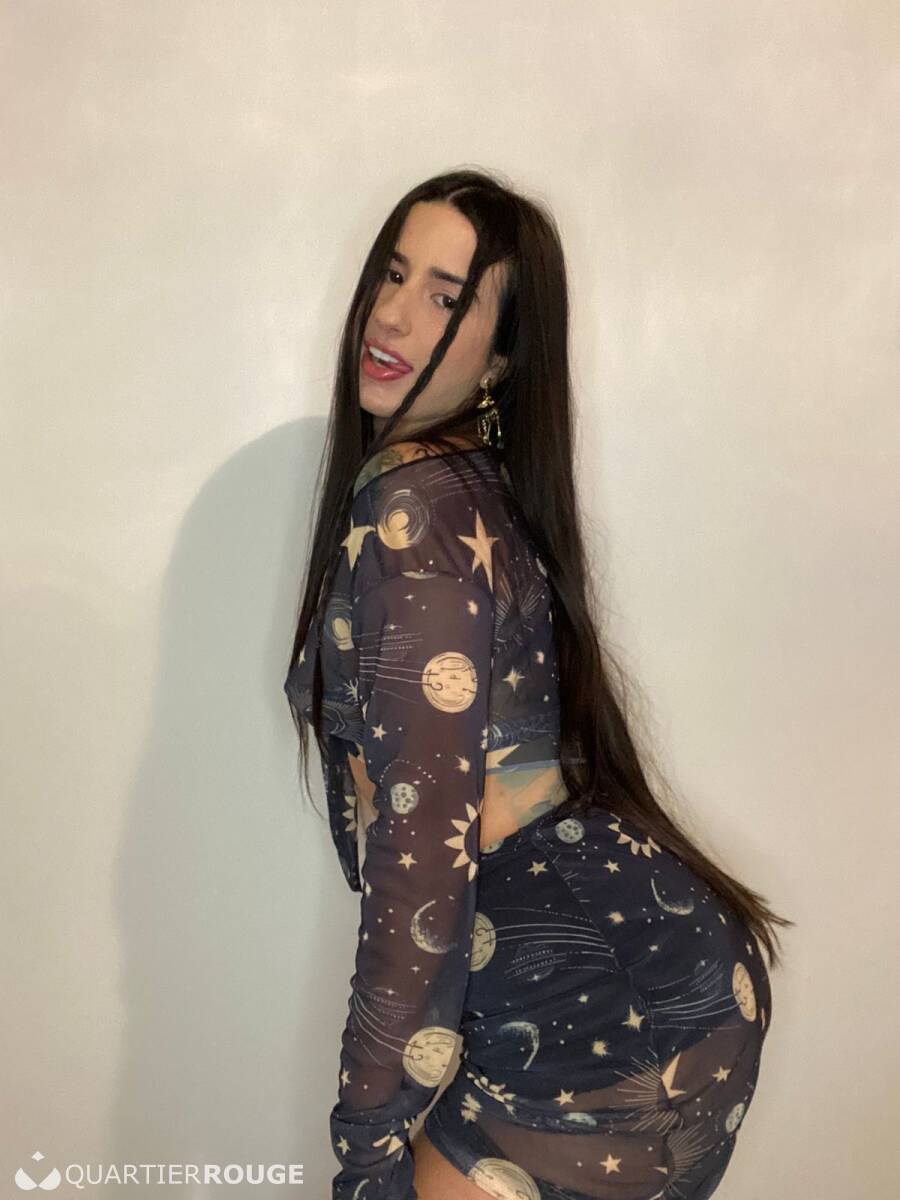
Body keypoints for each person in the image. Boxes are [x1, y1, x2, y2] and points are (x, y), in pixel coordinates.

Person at [284, 169, 792, 1200]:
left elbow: (422, 859)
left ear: (502, 357)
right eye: (393, 274)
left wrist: (367, 1142)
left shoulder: (417, 515)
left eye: (446, 297)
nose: (392, 314)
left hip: (597, 1016)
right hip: (647, 978)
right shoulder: (465, 485)